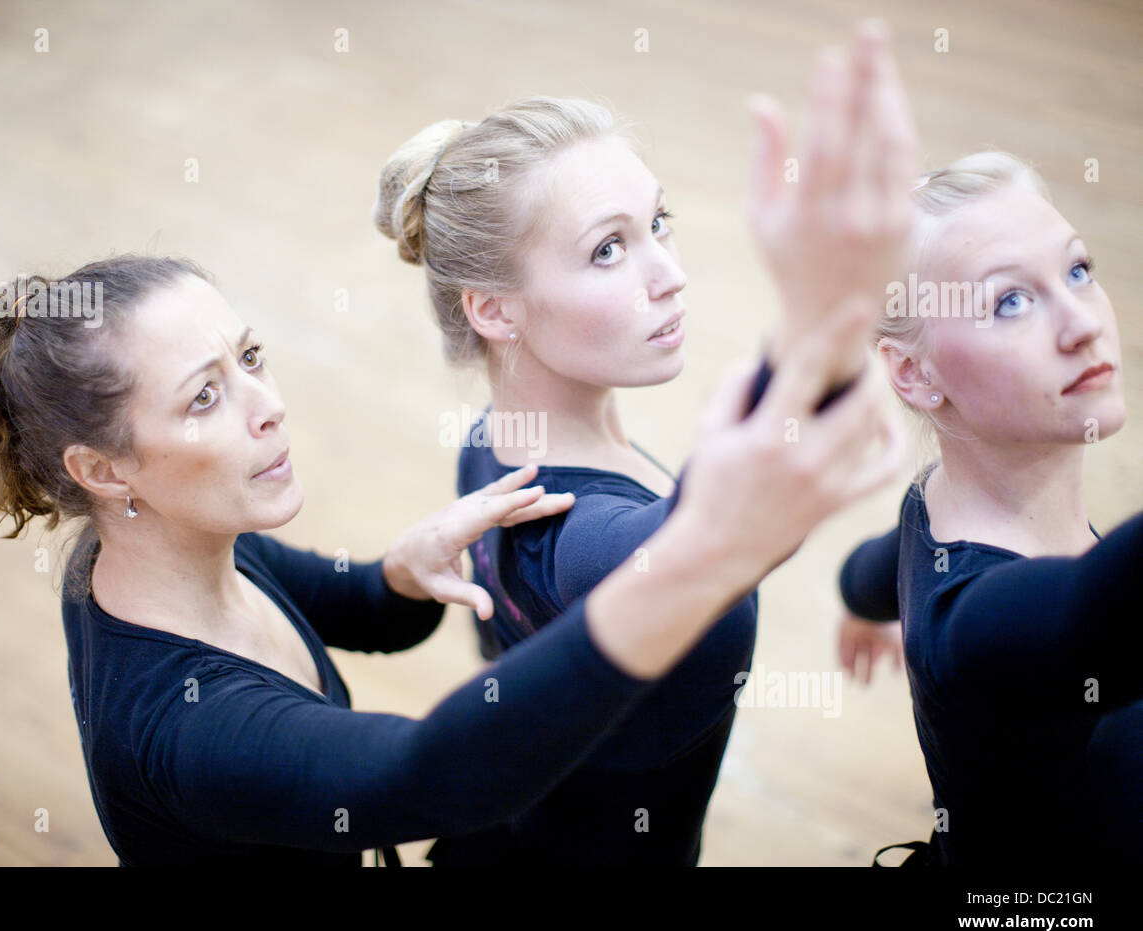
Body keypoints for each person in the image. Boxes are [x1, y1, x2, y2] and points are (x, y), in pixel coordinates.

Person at [0, 253, 902, 866]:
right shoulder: (185, 726)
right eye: (203, 398)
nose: (269, 404)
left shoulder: (161, 544)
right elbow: (424, 778)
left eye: (250, 357)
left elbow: (362, 608)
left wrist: (402, 565)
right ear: (100, 467)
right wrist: (688, 566)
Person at [374, 19, 919, 864]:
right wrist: (822, 310)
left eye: (658, 223)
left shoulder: (491, 445)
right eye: (607, 249)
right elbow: (707, 522)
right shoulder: (587, 539)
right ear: (494, 308)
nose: (668, 272)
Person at [836, 151, 1142, 866]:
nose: (1082, 324)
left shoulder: (930, 505)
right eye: (1011, 301)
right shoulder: (974, 627)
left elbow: (872, 568)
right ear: (914, 373)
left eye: (1077, 271)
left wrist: (861, 604)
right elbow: (1094, 609)